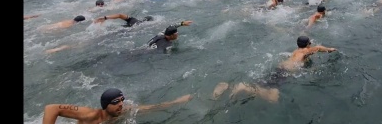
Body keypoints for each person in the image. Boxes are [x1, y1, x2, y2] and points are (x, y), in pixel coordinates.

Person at [213, 36, 337, 103]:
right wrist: (330, 49)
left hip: (280, 68)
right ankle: (242, 87)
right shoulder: (305, 51)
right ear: (308, 44)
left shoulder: (296, 51)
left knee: (265, 86)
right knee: (273, 99)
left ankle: (232, 87)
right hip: (285, 73)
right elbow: (318, 48)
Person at [42, 88, 193, 124]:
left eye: (122, 100)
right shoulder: (90, 115)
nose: (121, 105)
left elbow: (154, 107)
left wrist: (177, 102)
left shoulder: (125, 111)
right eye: (116, 102)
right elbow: (51, 108)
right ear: (105, 105)